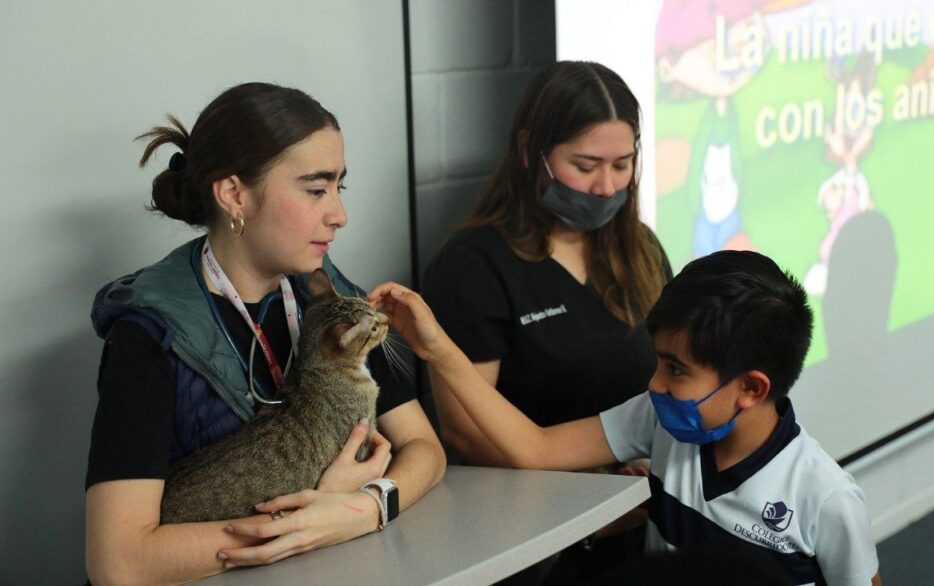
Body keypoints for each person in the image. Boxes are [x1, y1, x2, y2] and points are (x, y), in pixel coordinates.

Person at [85, 83, 445, 584]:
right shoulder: (150, 333)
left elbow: (425, 450)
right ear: (234, 195)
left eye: (341, 188)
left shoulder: (330, 302)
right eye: (316, 189)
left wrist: (362, 509)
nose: (339, 214)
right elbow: (119, 562)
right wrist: (304, 519)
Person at [372, 250, 883, 586]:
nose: (655, 384)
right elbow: (536, 448)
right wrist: (436, 348)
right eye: (659, 361)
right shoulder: (660, 419)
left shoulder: (825, 498)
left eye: (677, 370)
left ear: (751, 388)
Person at [421, 61, 670, 578]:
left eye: (622, 164)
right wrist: (596, 482)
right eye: (585, 165)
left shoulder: (640, 250)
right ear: (531, 152)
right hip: (532, 542)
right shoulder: (475, 264)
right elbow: (466, 433)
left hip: (632, 525)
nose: (606, 186)